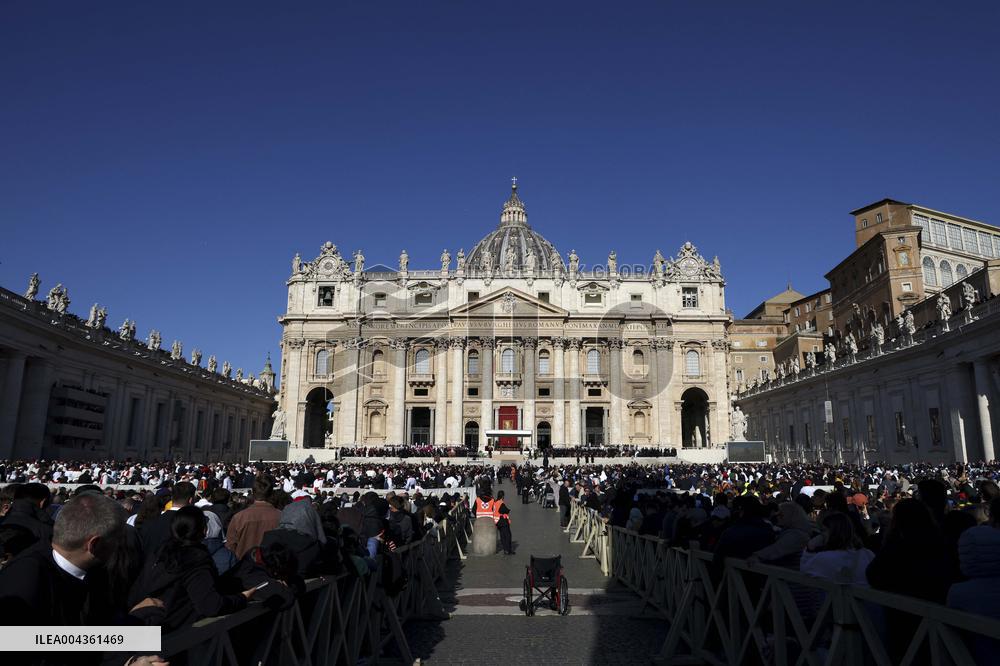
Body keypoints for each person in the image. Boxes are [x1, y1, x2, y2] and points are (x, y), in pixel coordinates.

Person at [0, 493, 166, 666]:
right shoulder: (25, 581)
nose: (119, 547)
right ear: (94, 545)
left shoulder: (92, 571)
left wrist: (134, 621)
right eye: (117, 540)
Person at [129, 506, 255, 632]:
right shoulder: (195, 560)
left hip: (152, 627)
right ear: (204, 530)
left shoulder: (161, 552)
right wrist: (241, 598)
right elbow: (210, 605)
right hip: (173, 635)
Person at [226, 475, 281, 559]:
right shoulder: (282, 516)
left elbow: (230, 547)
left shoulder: (239, 517)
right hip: (273, 567)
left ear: (253, 492)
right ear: (271, 493)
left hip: (245, 566)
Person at [494, 490, 513, 555]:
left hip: (497, 521)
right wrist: (508, 510)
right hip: (502, 521)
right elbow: (504, 510)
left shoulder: (495, 502)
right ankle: (508, 550)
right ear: (502, 496)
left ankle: (505, 549)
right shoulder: (500, 503)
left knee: (502, 535)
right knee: (507, 535)